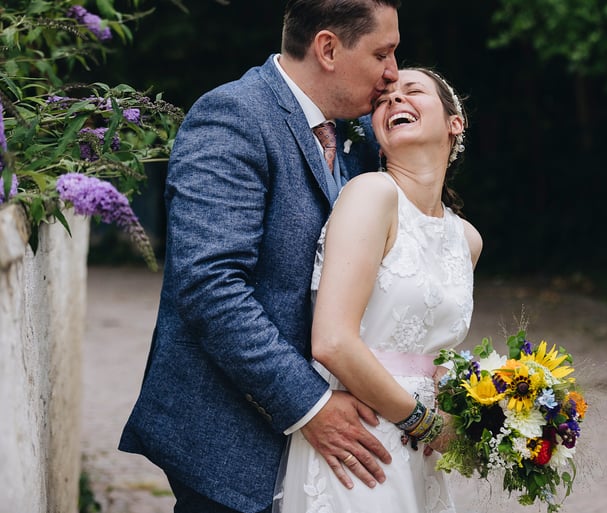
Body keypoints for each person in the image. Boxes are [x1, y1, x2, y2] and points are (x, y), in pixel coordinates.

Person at [118, 1, 401, 512]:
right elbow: (211, 286)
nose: (393, 73)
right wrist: (309, 407)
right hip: (232, 439)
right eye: (383, 53)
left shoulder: (360, 140)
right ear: (329, 48)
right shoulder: (233, 117)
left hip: (325, 459)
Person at [273, 67, 483, 513]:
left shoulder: (466, 239)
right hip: (360, 439)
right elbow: (332, 342)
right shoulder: (371, 194)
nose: (395, 101)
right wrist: (422, 421)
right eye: (385, 99)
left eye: (413, 92)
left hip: (424, 454)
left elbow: (437, 353)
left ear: (454, 123)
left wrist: (489, 412)